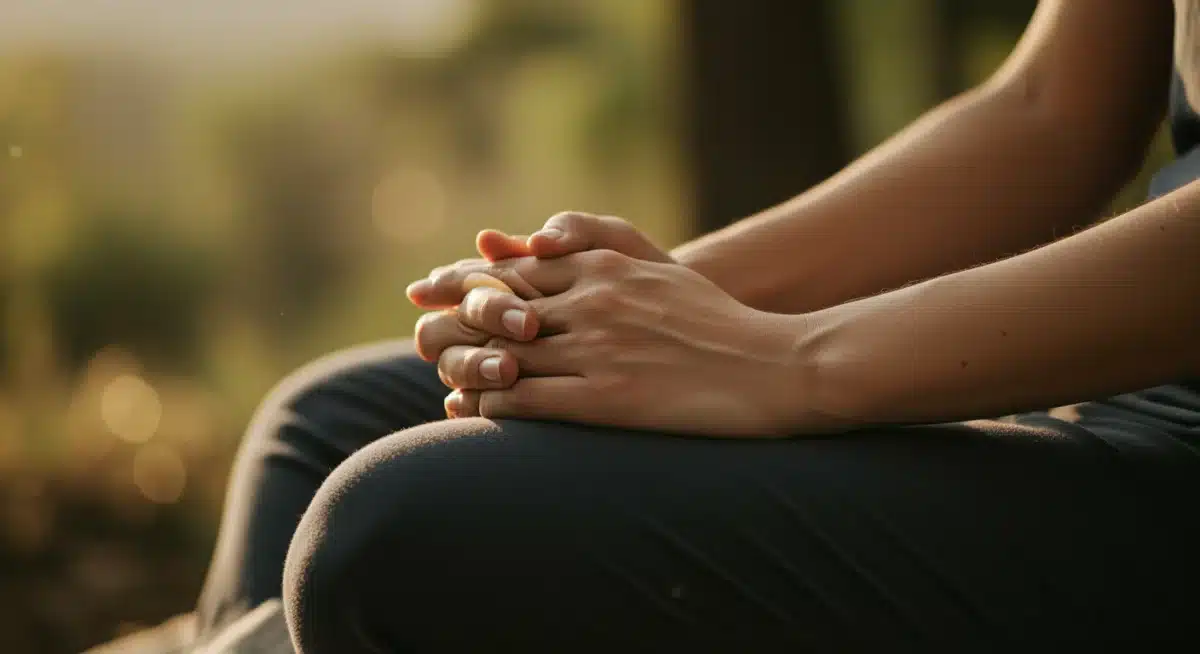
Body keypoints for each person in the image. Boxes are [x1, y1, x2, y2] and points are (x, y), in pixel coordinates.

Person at [192, 1, 1200, 651]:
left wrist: (790, 362)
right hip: (1110, 375)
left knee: (393, 531)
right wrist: (638, 301)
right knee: (332, 421)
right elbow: (1053, 111)